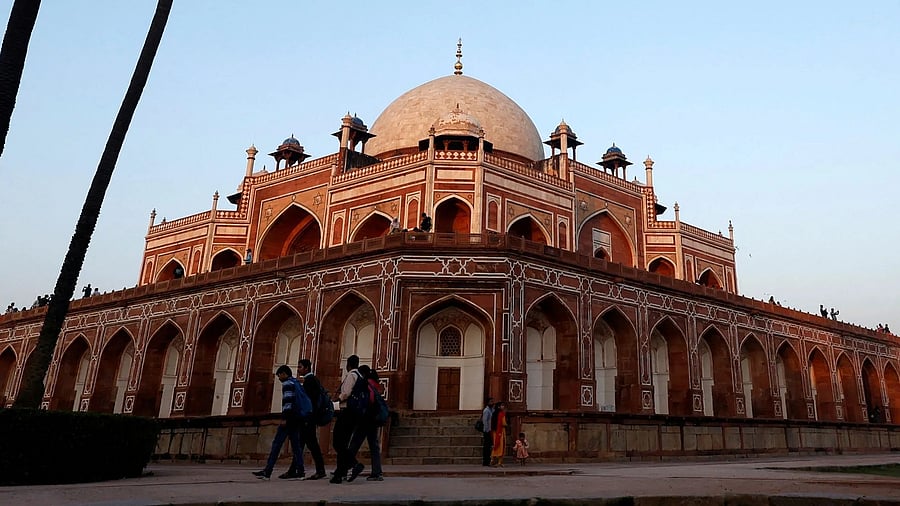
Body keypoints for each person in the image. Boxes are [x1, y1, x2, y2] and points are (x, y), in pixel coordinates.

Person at [252, 365, 308, 480]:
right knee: (296, 446)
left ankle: (267, 471)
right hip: (296, 418)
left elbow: (288, 402)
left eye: (279, 375)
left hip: (289, 419)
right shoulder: (295, 382)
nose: (279, 378)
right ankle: (301, 471)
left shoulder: (287, 384)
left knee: (277, 444)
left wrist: (284, 418)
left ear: (284, 374)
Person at [330, 354, 366, 484]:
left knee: (337, 443)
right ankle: (340, 474)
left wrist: (337, 399)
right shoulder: (361, 376)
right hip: (355, 413)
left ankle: (354, 464)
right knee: (343, 443)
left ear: (348, 365)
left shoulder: (351, 375)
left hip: (347, 412)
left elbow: (346, 393)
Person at [348, 365, 383, 481]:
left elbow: (363, 402)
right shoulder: (376, 386)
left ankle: (343, 469)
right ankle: (377, 472)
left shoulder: (365, 384)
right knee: (374, 447)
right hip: (373, 420)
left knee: (354, 445)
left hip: (364, 420)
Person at [297, 359, 327, 480]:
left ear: (306, 368)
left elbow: (308, 400)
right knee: (301, 443)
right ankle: (296, 469)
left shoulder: (309, 380)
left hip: (308, 417)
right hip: (310, 416)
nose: (298, 369)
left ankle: (320, 470)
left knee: (311, 444)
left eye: (300, 367)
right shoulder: (312, 380)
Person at [490, 401, 508, 467]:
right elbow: (504, 423)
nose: (503, 407)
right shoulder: (501, 414)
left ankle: (492, 460)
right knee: (501, 446)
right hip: (501, 432)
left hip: (495, 432)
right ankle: (499, 462)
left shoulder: (494, 413)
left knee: (495, 445)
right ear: (499, 407)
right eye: (502, 405)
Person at [480, 397, 493, 466]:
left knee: (489, 446)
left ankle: (488, 460)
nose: (492, 403)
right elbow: (485, 421)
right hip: (487, 430)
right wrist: (487, 430)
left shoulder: (491, 410)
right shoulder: (486, 410)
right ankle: (485, 461)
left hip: (490, 430)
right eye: (491, 402)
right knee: (486, 446)